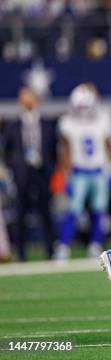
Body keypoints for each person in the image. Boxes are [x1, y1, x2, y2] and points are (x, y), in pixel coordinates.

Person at [55, 83, 111, 260]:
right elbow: (65, 151)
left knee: (100, 210)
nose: (82, 111)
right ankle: (64, 246)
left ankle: (95, 244)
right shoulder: (67, 122)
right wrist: (66, 176)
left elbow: (108, 146)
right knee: (73, 211)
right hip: (79, 172)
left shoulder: (104, 118)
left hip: (99, 171)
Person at [2, 87, 57, 261]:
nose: (27, 100)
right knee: (20, 214)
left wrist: (49, 169)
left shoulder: (46, 124)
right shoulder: (13, 124)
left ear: (37, 99)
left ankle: (51, 250)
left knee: (46, 212)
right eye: (23, 97)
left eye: (29, 97)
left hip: (42, 173)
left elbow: (52, 150)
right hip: (22, 174)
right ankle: (21, 253)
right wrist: (14, 167)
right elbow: (7, 150)